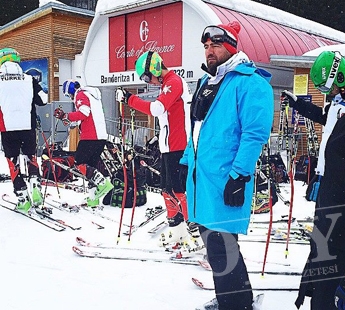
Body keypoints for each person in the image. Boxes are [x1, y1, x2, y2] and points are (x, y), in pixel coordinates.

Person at [179, 22, 273, 310]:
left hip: (225, 178)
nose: (209, 51)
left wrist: (239, 175)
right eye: (206, 46)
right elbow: (197, 129)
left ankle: (234, 304)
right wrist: (185, 161)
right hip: (202, 178)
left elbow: (254, 134)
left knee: (222, 247)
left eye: (215, 45)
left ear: (230, 46)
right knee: (216, 244)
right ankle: (237, 299)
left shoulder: (250, 82)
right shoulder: (208, 83)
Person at [282, 51, 345, 309]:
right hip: (327, 183)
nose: (328, 94)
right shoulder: (336, 105)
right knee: (323, 244)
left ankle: (327, 298)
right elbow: (323, 116)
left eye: (329, 89)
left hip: (338, 190)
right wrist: (298, 104)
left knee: (329, 247)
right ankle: (323, 294)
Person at [116, 51, 195, 248]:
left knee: (179, 190)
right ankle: (177, 231)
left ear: (154, 68)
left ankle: (195, 231)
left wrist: (130, 100)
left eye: (145, 76)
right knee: (166, 190)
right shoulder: (165, 84)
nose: (147, 80)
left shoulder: (174, 81)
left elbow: (157, 109)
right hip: (168, 146)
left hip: (179, 145)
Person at [0, 47, 47, 213]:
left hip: (7, 128)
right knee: (31, 156)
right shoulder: (29, 79)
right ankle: (35, 184)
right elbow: (43, 99)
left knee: (13, 162)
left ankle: (22, 198)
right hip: (28, 126)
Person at [54, 80, 113, 207]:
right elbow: (86, 116)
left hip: (90, 135)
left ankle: (103, 184)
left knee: (79, 162)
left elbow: (84, 113)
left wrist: (67, 115)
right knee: (90, 167)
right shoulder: (92, 95)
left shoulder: (80, 94)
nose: (70, 98)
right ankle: (93, 198)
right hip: (100, 135)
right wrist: (69, 119)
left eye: (68, 95)